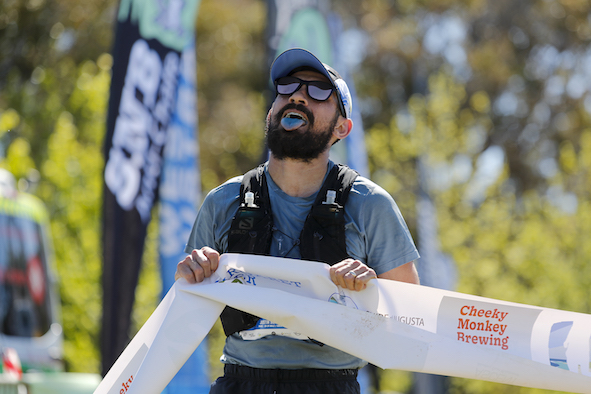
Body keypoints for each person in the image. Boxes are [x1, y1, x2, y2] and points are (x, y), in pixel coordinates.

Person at [175, 48, 420, 394]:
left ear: (342, 128)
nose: (298, 96)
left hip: (330, 385)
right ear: (272, 110)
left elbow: (412, 318)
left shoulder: (370, 205)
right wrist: (192, 272)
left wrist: (371, 290)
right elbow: (186, 304)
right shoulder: (222, 201)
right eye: (288, 87)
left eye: (319, 91)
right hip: (239, 382)